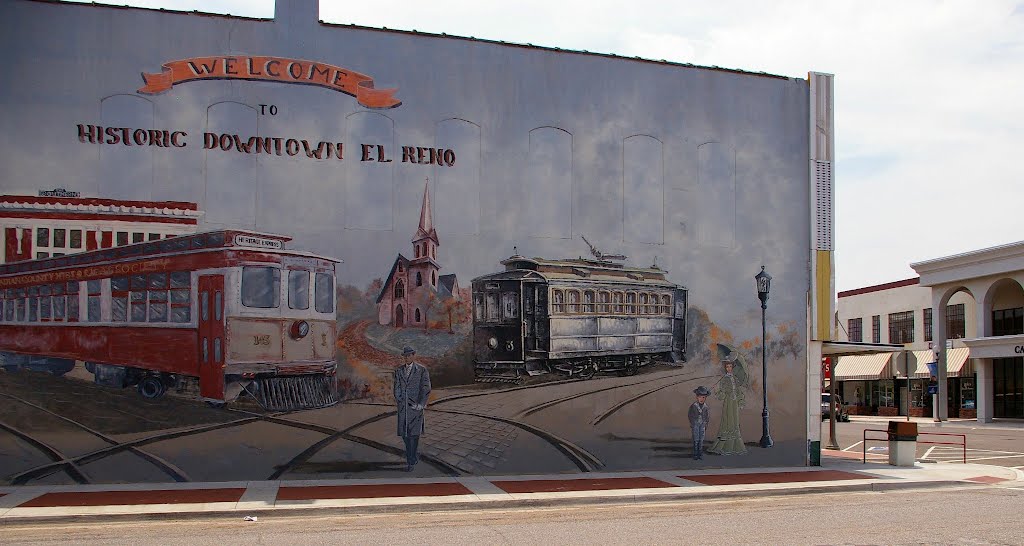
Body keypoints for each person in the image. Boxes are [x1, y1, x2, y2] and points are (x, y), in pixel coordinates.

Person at [393, 346, 431, 472]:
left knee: (414, 435)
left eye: (409, 355)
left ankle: (411, 460)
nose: (407, 358)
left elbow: (426, 388)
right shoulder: (399, 371)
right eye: (405, 356)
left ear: (414, 355)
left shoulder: (421, 370)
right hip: (403, 408)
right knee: (405, 435)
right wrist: (399, 399)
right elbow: (397, 387)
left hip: (415, 408)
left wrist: (420, 404)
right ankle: (412, 457)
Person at [707, 356, 747, 455]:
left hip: (734, 404)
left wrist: (741, 401)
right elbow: (722, 394)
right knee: (728, 421)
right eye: (727, 367)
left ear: (732, 367)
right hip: (728, 403)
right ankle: (724, 446)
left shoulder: (735, 379)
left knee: (735, 422)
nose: (729, 368)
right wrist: (717, 391)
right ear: (725, 368)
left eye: (730, 366)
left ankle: (735, 446)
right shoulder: (724, 379)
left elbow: (738, 392)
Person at [688, 386, 711, 460]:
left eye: (703, 397)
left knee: (701, 439)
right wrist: (692, 423)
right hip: (695, 425)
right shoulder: (693, 406)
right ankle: (695, 453)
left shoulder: (705, 407)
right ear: (697, 397)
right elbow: (690, 415)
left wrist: (706, 423)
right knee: (696, 439)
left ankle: (700, 453)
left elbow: (707, 416)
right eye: (700, 397)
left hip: (703, 425)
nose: (702, 399)